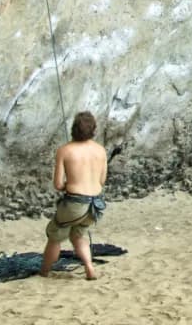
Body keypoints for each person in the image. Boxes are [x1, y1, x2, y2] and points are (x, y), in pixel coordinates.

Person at [40, 111, 108, 280]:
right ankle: (89, 267)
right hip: (96, 204)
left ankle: (44, 271)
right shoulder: (100, 150)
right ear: (93, 129)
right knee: (78, 235)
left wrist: (67, 185)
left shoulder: (65, 150)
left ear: (73, 129)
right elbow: (102, 180)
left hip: (75, 203)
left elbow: (58, 184)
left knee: (55, 235)